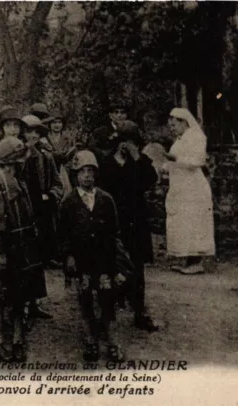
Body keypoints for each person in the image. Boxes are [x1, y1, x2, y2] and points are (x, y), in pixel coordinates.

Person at [59, 150, 125, 362]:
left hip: (104, 260)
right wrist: (68, 256)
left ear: (96, 174)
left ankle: (112, 341)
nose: (86, 176)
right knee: (85, 300)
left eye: (90, 171)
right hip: (82, 260)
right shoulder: (69, 202)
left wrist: (117, 264)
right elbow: (63, 234)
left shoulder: (106, 200)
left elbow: (115, 232)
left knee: (107, 300)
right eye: (82, 172)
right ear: (75, 175)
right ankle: (90, 341)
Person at [0, 137, 41, 363]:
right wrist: (0, 253)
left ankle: (18, 340)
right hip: (5, 250)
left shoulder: (18, 182)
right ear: (8, 163)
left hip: (21, 247)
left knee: (19, 296)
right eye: (17, 162)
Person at [99, 121, 159, 331]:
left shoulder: (140, 162)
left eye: (131, 142)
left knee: (137, 268)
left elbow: (150, 180)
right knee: (111, 265)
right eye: (124, 141)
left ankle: (139, 311)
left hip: (136, 223)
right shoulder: (106, 163)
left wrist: (137, 157)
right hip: (114, 223)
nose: (127, 146)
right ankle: (108, 311)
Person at [20, 116, 64, 321]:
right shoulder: (14, 154)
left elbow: (57, 183)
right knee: (21, 260)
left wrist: (50, 195)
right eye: (28, 131)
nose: (32, 136)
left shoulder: (45, 156)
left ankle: (35, 303)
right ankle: (21, 306)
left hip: (39, 214)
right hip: (18, 214)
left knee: (37, 259)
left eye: (36, 132)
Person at [162, 108, 215, 274]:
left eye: (174, 124)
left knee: (194, 222)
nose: (172, 128)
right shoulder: (179, 140)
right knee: (183, 222)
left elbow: (197, 161)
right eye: (170, 125)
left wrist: (175, 159)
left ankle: (196, 262)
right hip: (181, 187)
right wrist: (165, 167)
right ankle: (187, 261)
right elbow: (174, 161)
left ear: (184, 122)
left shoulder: (197, 137)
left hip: (193, 188)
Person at [40, 111, 78, 196]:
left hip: (65, 170)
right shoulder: (45, 138)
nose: (57, 125)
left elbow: (73, 156)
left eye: (59, 122)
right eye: (54, 122)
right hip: (49, 170)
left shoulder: (68, 138)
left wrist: (66, 169)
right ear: (49, 124)